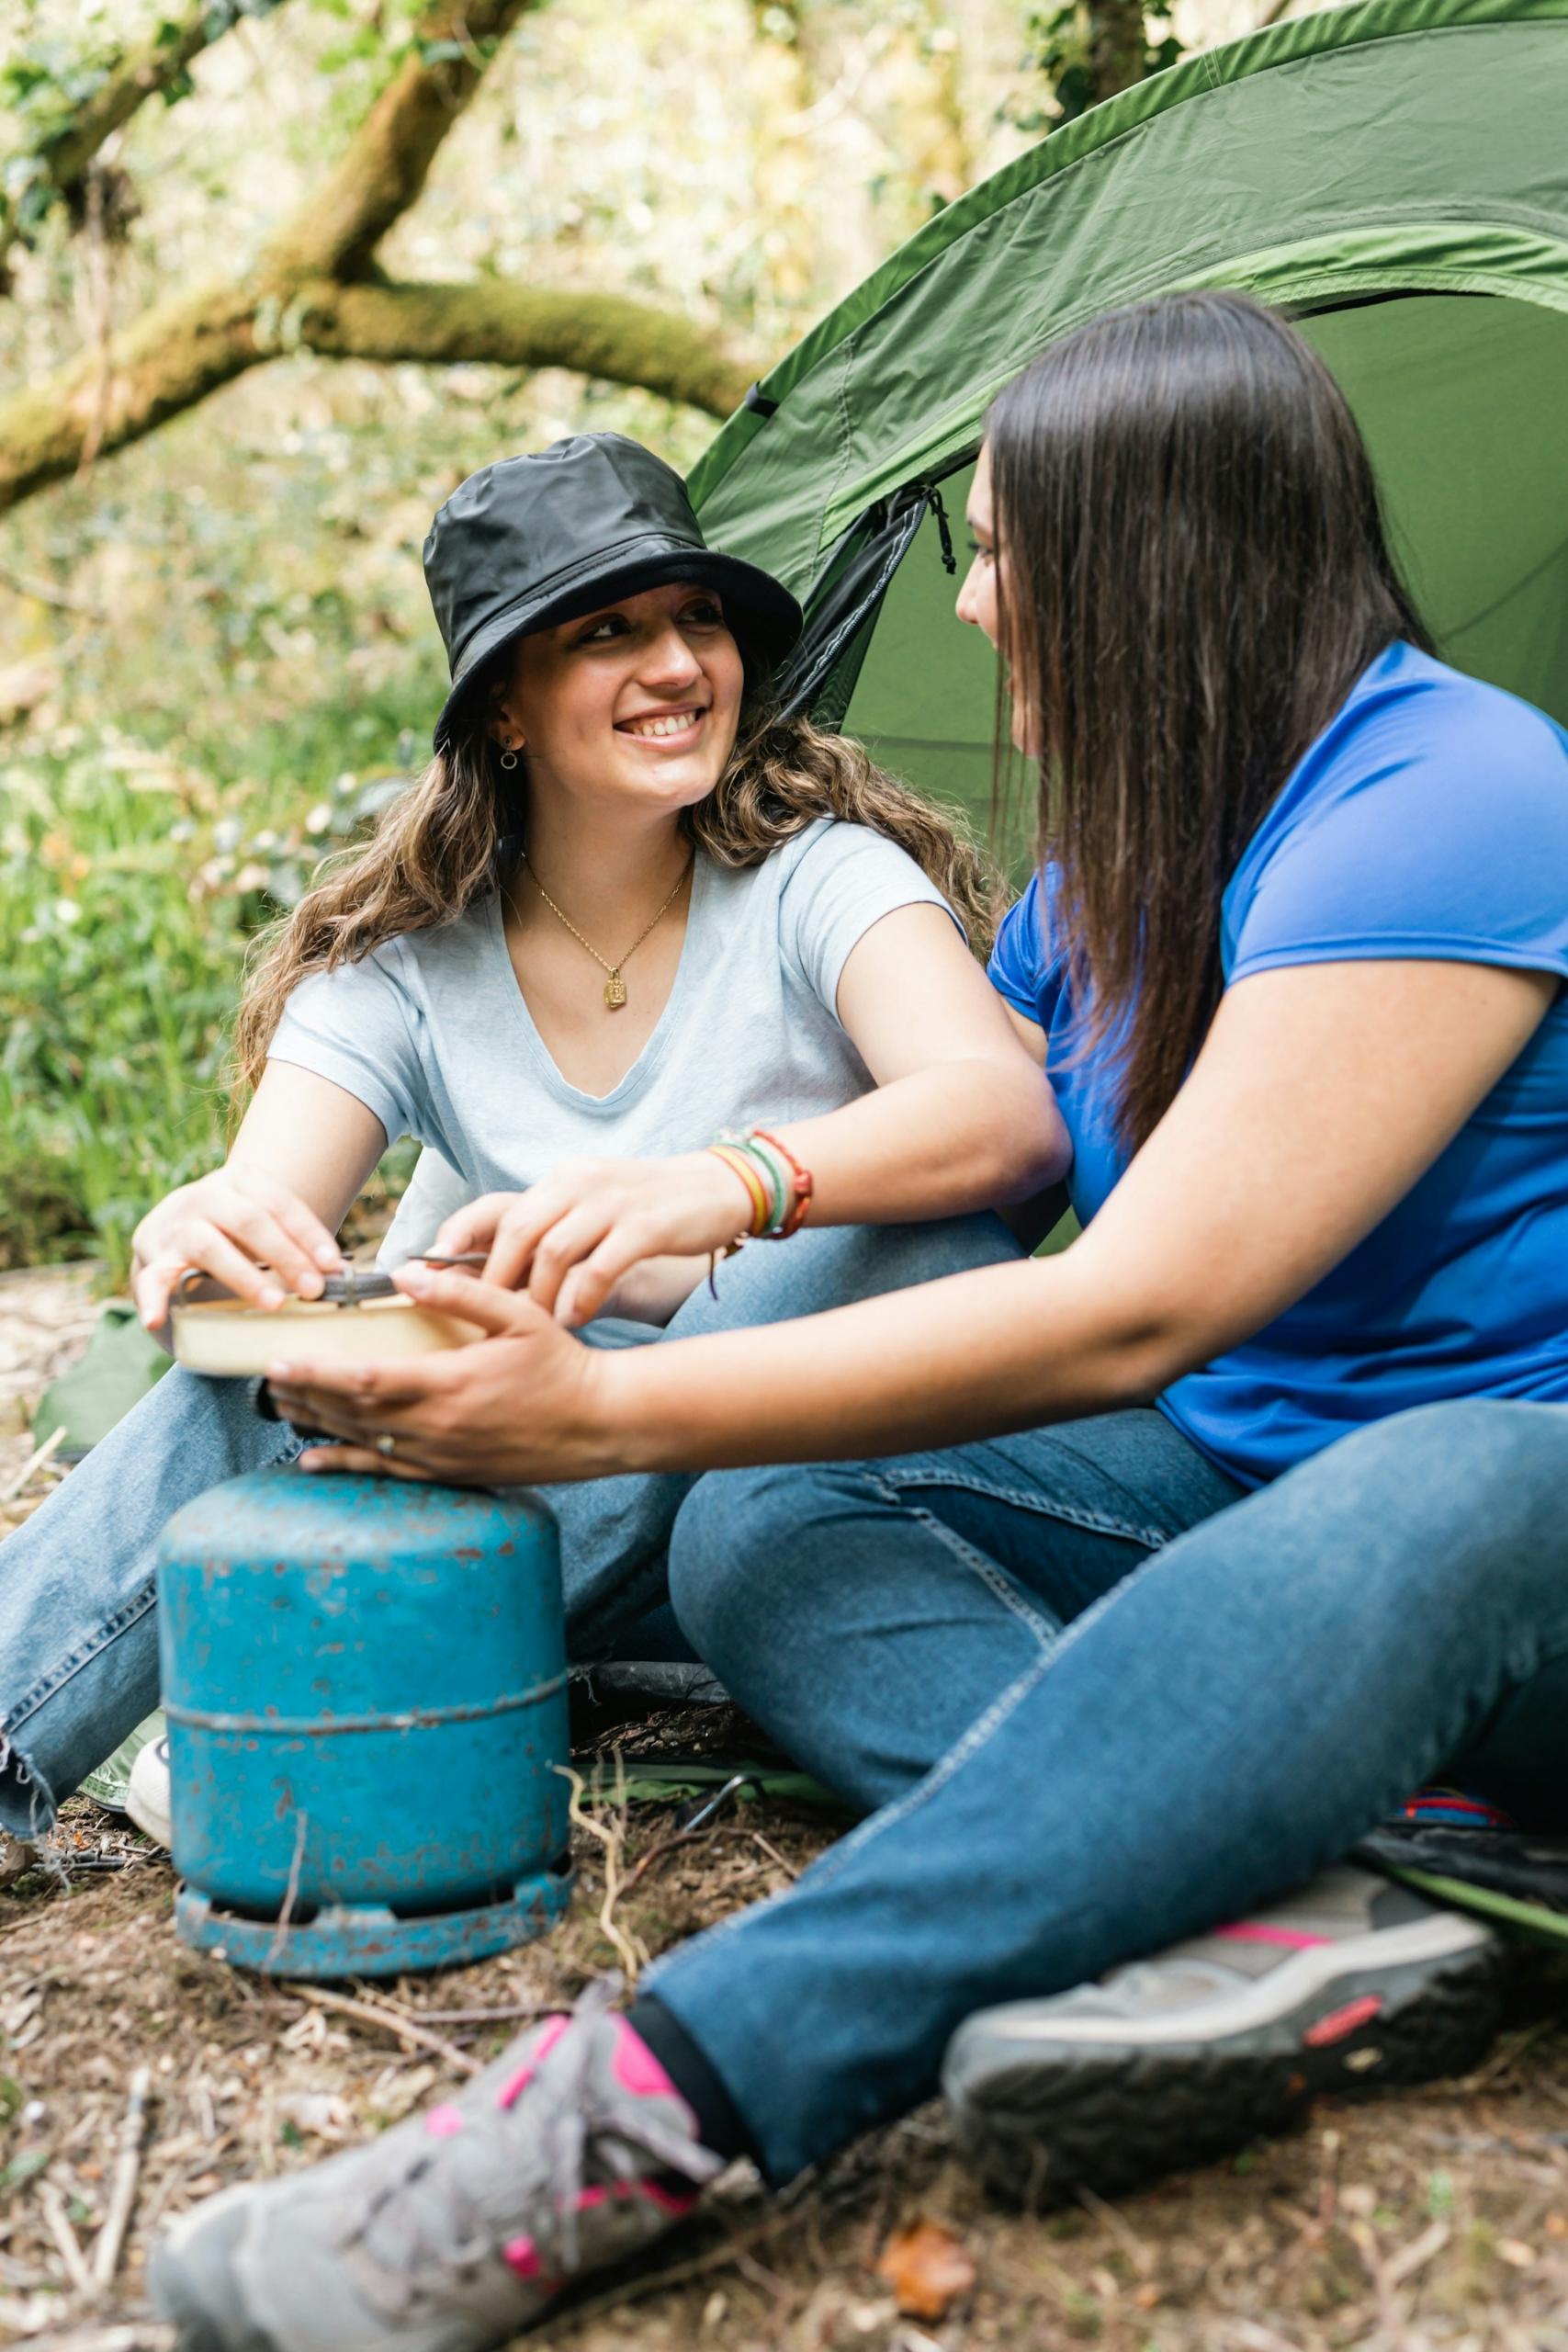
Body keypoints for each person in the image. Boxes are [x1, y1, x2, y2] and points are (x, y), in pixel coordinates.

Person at [152, 288, 1568, 2352]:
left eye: (998, 550)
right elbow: (976, 1172)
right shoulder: (1102, 888)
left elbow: (1133, 1305)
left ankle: (634, 2112)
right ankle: (1293, 1889)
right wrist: (628, 1234)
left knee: (1443, 1483)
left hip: (1503, 1537)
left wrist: (603, 1418)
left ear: (1143, 554)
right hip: (1243, 1520)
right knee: (772, 1516)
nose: (978, 605)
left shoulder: (1452, 796)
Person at [0, 431, 1066, 1849]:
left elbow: (1005, 1115)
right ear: (505, 705)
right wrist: (198, 1243)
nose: (679, 664)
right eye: (607, 632)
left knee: (913, 1238)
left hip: (801, 1502)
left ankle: (342, 1661)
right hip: (558, 1529)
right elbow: (264, 1232)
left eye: (698, 620)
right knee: (252, 1374)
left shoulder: (820, 879)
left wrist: (716, 1188)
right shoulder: (401, 967)